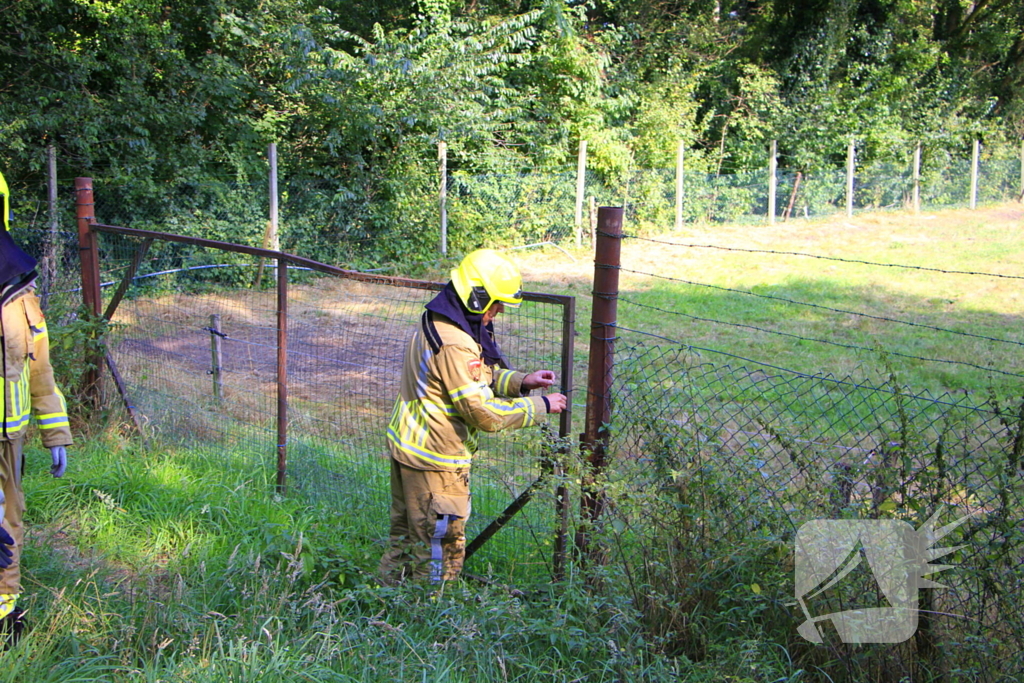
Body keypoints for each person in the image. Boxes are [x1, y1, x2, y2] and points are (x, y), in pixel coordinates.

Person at [379, 248, 567, 584]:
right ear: (476, 297)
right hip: (436, 460)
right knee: (441, 548)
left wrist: (522, 381)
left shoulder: (438, 318)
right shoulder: (457, 343)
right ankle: (430, 609)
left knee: (405, 539)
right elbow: (483, 413)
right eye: (496, 303)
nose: (499, 311)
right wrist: (541, 406)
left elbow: (474, 379)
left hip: (410, 446)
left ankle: (386, 598)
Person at [0, 171, 73, 645]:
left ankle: (5, 618)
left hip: (10, 441)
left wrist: (55, 431)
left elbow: (39, 365)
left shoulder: (17, 284)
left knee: (9, 523)